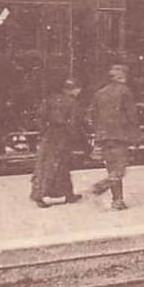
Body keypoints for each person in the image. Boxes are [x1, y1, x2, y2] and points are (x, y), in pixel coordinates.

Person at [87, 63, 138, 210]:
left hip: (103, 136)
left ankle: (117, 201)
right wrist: (136, 135)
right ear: (122, 77)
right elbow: (132, 115)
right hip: (120, 135)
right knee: (120, 169)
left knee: (112, 167)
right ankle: (102, 185)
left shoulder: (100, 92)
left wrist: (99, 132)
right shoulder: (125, 91)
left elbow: (93, 115)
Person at [30, 78, 84, 207]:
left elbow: (39, 116)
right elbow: (74, 123)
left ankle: (66, 193)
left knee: (47, 164)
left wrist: (44, 130)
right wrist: (76, 139)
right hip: (62, 136)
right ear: (74, 90)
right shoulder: (72, 102)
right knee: (57, 165)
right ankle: (43, 196)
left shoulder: (50, 99)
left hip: (49, 135)